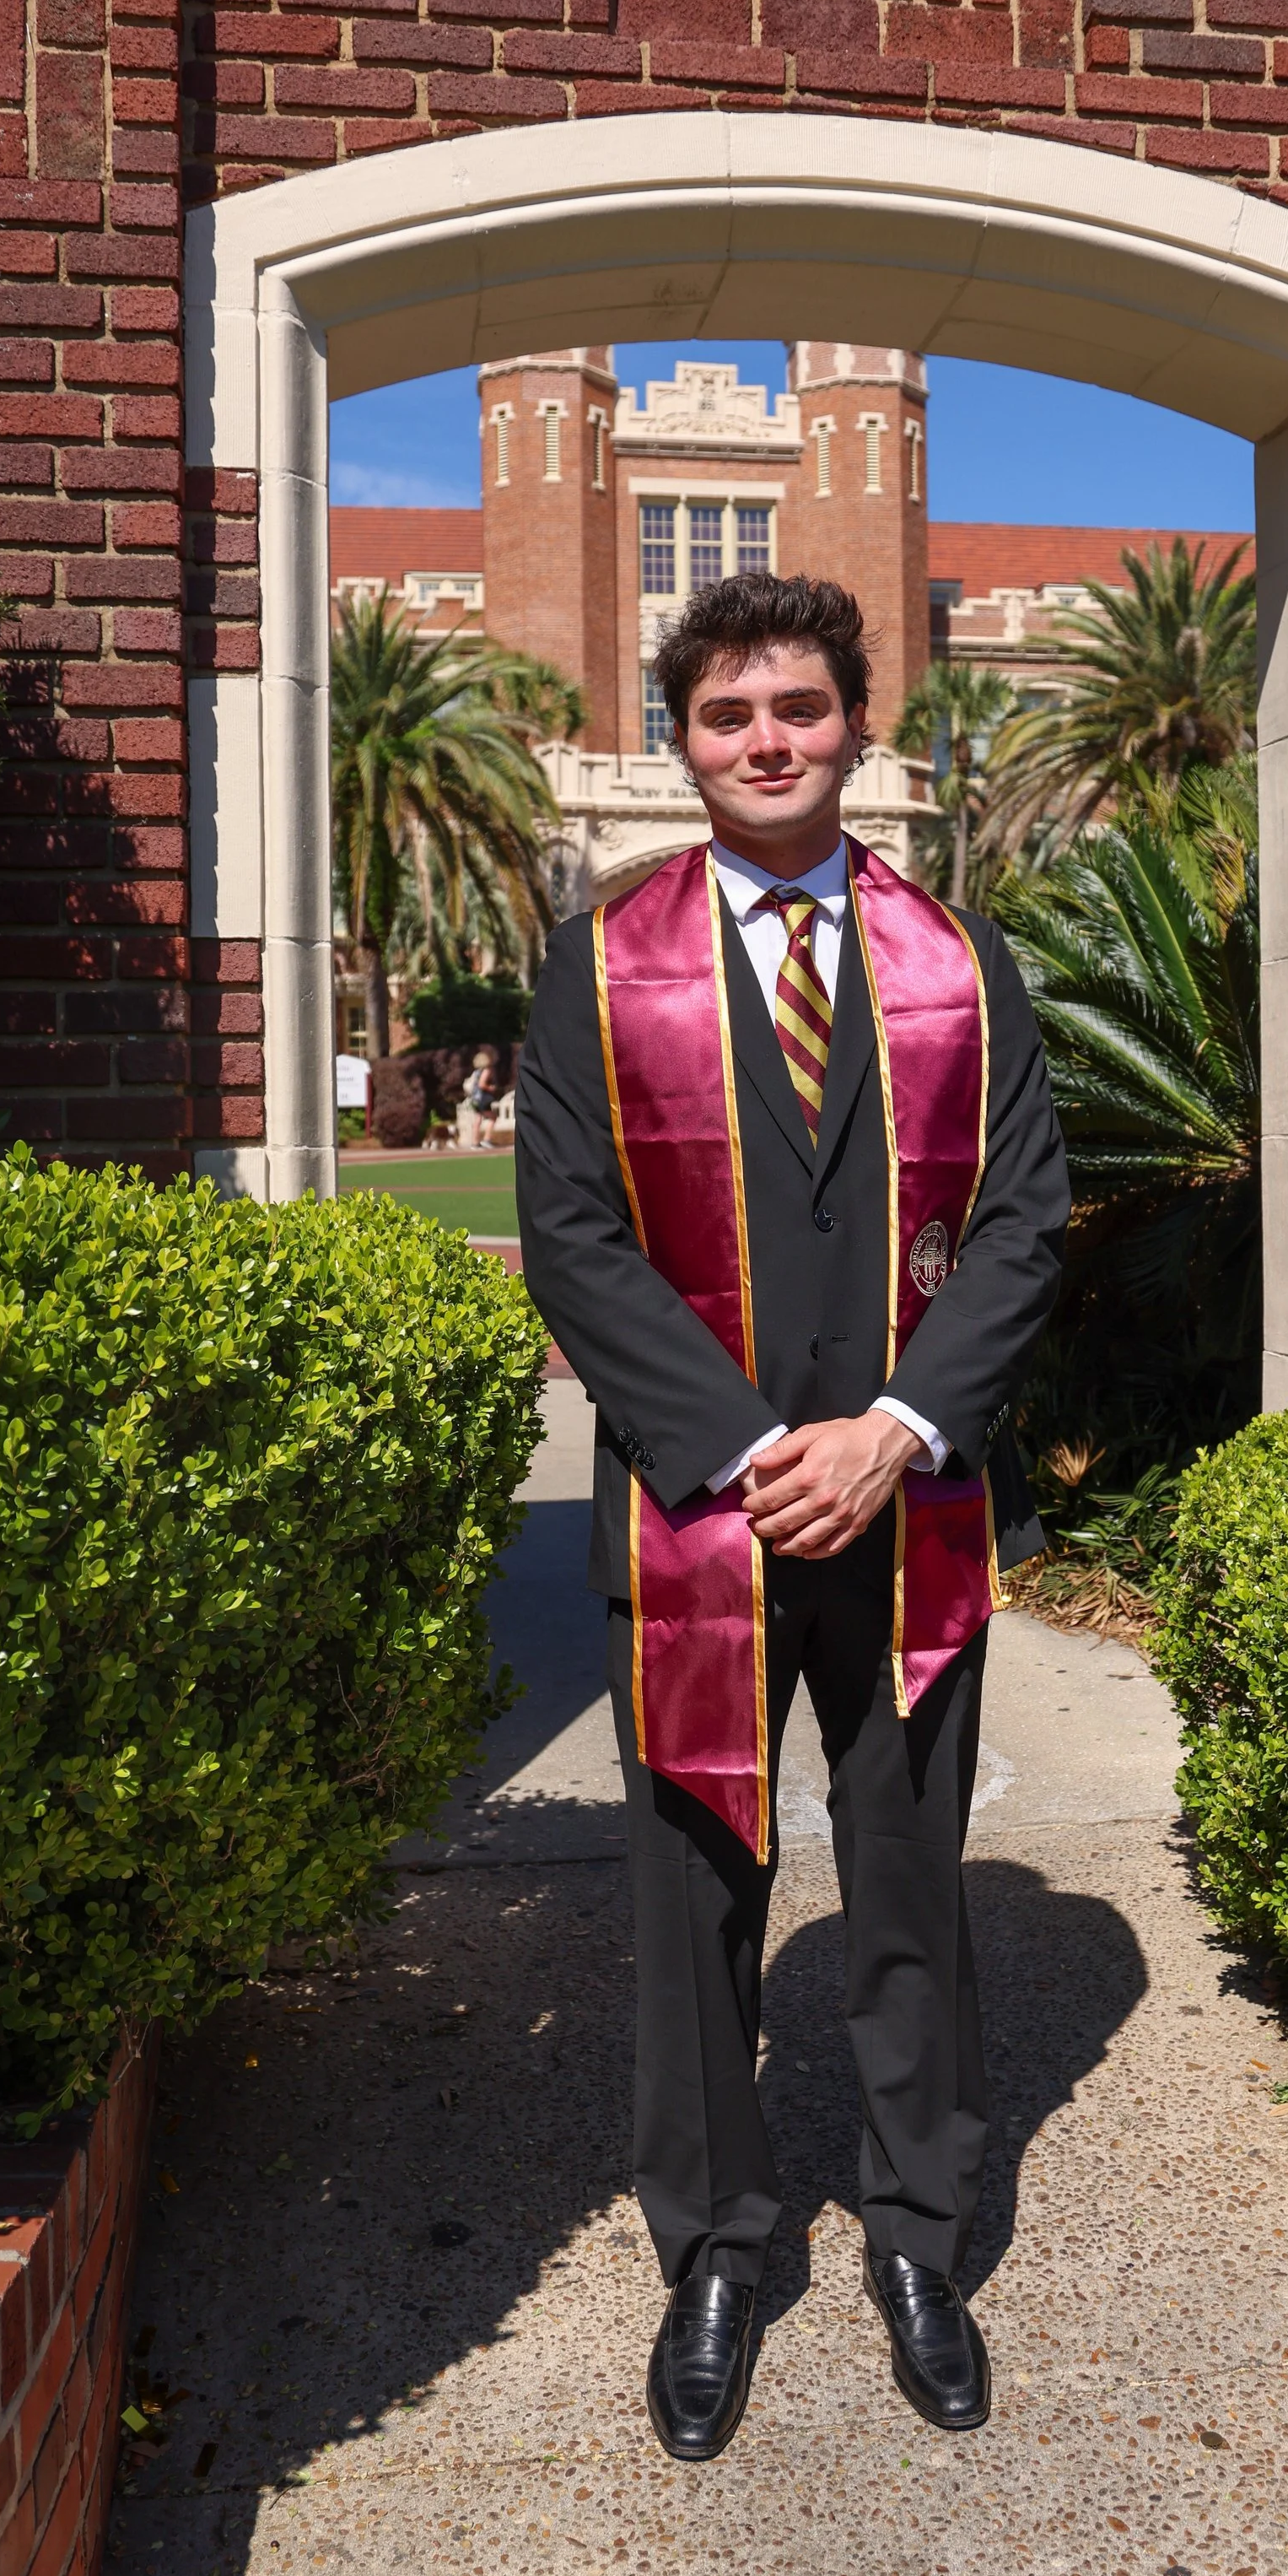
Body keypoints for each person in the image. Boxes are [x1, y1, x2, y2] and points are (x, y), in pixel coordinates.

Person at [514, 572, 1068, 2465]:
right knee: (692, 1903)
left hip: (905, 1507)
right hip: (702, 1513)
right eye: (728, 712)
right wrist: (756, 1446)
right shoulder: (596, 961)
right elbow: (574, 1237)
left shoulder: (958, 964)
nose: (766, 740)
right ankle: (720, 2244)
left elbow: (1019, 1220)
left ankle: (920, 2233)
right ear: (680, 739)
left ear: (855, 724)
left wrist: (896, 1428)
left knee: (906, 1886)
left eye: (801, 708)